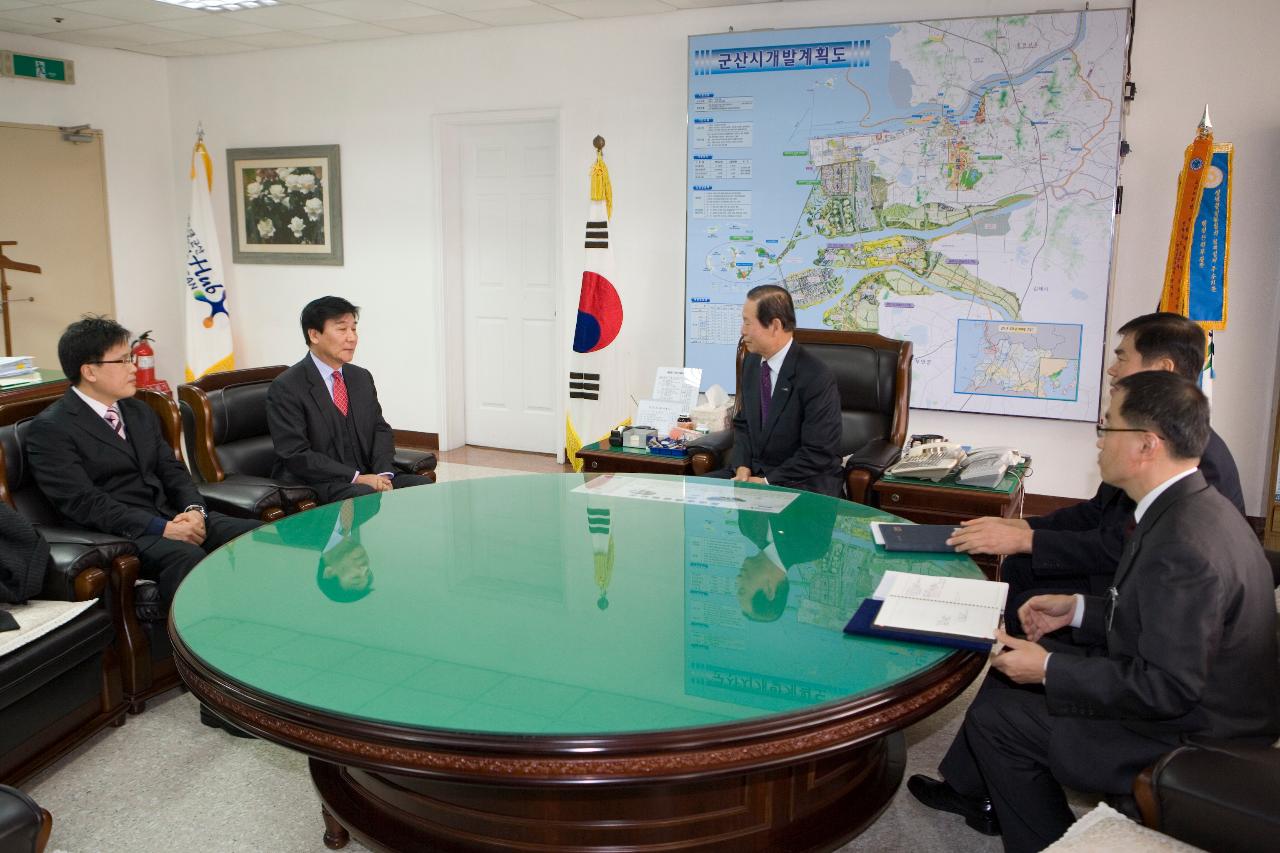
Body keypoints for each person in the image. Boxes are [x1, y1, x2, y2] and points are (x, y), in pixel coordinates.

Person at [909, 370, 1279, 853]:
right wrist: (1078, 611)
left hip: (1196, 732)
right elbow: (1162, 618)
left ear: (1147, 444)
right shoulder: (1185, 505)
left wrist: (1048, 668)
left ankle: (1054, 843)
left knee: (1001, 723)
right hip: (1198, 697)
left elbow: (1167, 687)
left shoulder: (1183, 543)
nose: (1098, 441)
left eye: (1107, 427)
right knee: (1009, 687)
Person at [26, 316, 261, 738]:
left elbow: (174, 472)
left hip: (172, 517)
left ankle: (255, 663)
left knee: (255, 538)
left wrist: (193, 509)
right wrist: (161, 526)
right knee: (186, 559)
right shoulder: (50, 429)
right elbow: (83, 503)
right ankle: (214, 697)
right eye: (124, 359)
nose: (135, 367)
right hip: (120, 533)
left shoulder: (137, 410)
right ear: (90, 370)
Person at [947, 312, 1245, 623]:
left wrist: (1026, 540)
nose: (1112, 370)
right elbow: (1098, 513)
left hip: (1149, 596)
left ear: (1162, 368)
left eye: (1123, 358)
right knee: (1018, 568)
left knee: (1028, 587)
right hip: (1123, 569)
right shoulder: (1149, 436)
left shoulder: (1193, 457)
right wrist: (1026, 526)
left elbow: (1129, 546)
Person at [267, 296, 432, 505]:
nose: (352, 338)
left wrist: (383, 474)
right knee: (363, 496)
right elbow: (296, 455)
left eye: (354, 329)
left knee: (422, 488)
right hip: (319, 483)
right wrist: (358, 478)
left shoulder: (360, 377)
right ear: (314, 335)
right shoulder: (287, 387)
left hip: (368, 475)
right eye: (342, 329)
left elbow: (379, 429)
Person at [712, 284, 843, 496]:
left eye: (747, 322)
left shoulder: (816, 376)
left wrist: (765, 482)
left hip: (801, 484)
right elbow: (744, 424)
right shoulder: (752, 363)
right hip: (753, 475)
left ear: (774, 326)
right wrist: (742, 466)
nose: (742, 331)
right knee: (689, 493)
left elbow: (818, 453)